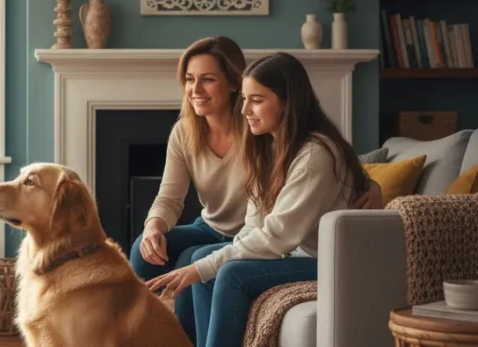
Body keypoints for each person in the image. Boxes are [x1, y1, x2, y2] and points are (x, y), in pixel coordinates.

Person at [129, 37, 382, 344]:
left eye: (256, 100)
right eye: (189, 79)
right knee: (181, 255)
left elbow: (278, 233)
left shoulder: (307, 151)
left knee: (221, 270)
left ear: (287, 102)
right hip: (243, 234)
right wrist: (156, 227)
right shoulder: (264, 141)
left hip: (316, 254)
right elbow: (253, 218)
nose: (245, 109)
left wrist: (373, 184)